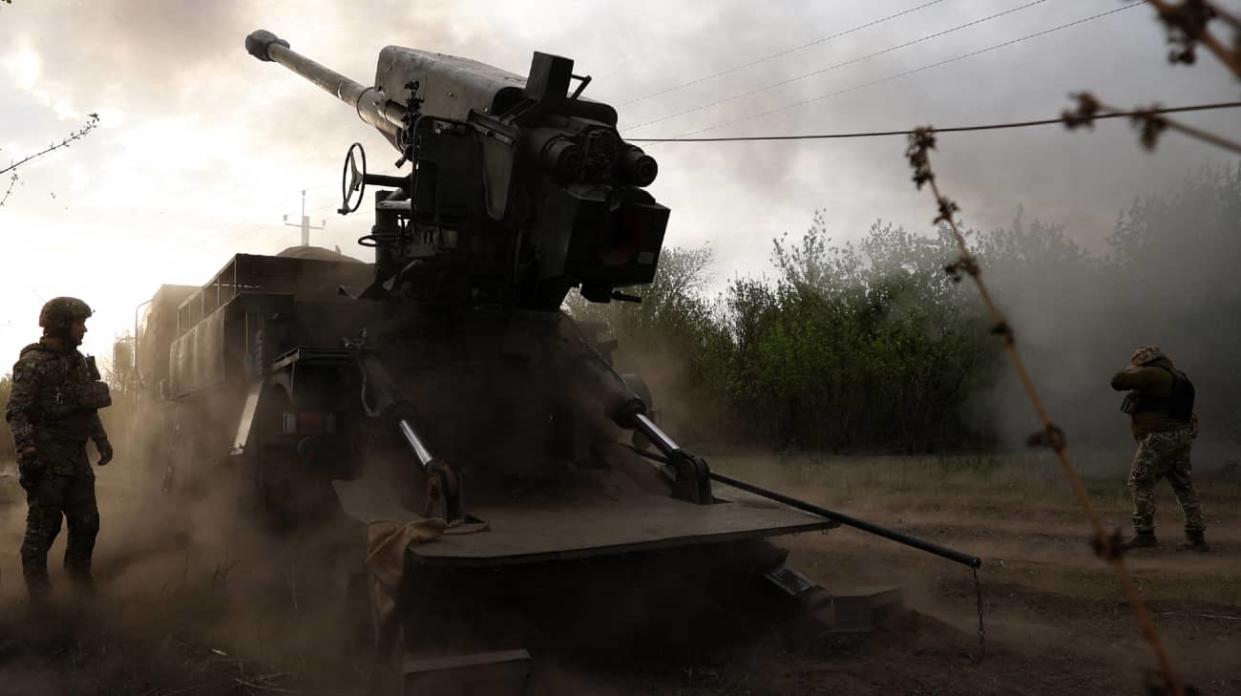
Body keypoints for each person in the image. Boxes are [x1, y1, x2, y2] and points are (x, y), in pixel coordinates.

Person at [5, 297, 114, 600]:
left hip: (76, 459)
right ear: (62, 325)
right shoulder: (32, 363)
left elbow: (87, 405)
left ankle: (78, 586)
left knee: (87, 523)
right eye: (80, 323)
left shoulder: (77, 362)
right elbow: (17, 411)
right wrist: (28, 451)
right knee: (43, 531)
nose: (84, 330)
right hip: (47, 459)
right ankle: (40, 601)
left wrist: (101, 440)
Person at [1110, 345, 1207, 552]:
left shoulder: (1153, 374)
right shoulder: (1178, 376)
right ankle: (1196, 535)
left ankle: (1145, 534)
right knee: (1183, 485)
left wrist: (1131, 370)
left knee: (1139, 481)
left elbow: (1117, 382)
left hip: (1160, 438)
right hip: (1180, 437)